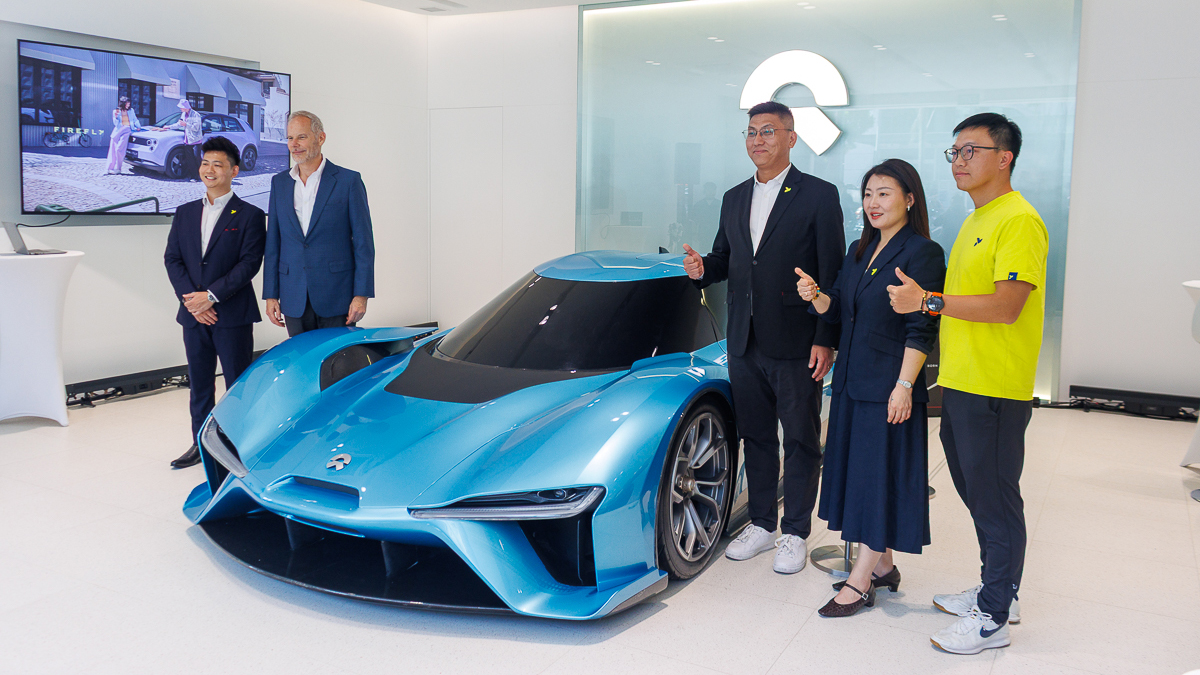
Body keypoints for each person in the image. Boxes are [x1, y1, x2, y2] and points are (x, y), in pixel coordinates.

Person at [887, 113, 1048, 654]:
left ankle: (993, 618)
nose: (958, 161)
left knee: (995, 498)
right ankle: (1000, 589)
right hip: (962, 381)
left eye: (970, 151)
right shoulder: (978, 218)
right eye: (954, 152)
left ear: (1004, 157)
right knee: (978, 493)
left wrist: (928, 301)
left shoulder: (1018, 220)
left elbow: (1006, 307)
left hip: (995, 387)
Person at [682, 100, 845, 574]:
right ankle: (762, 523)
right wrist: (702, 268)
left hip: (797, 339)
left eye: (768, 131)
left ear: (791, 138)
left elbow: (832, 272)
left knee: (800, 438)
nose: (758, 140)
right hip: (744, 339)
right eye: (752, 132)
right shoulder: (734, 197)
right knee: (755, 435)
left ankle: (795, 531)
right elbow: (726, 259)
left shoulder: (818, 195)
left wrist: (826, 338)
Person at [796, 159, 945, 617]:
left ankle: (860, 583)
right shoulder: (860, 250)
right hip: (853, 380)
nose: (873, 203)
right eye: (867, 194)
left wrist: (904, 385)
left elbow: (923, 327)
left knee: (876, 480)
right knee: (860, 476)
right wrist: (816, 296)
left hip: (888, 386)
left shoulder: (923, 252)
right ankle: (884, 567)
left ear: (910, 199)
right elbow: (840, 306)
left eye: (884, 193)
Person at [163, 136, 266, 468]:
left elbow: (249, 264)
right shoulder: (185, 213)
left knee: (236, 386)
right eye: (205, 163)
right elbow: (173, 259)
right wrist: (193, 302)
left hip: (232, 314)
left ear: (233, 171)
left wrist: (211, 297)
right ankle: (201, 446)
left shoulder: (250, 215)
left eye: (218, 164)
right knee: (199, 385)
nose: (209, 170)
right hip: (194, 316)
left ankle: (237, 447)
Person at [263, 111, 375, 335]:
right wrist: (271, 295)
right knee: (302, 355)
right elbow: (273, 242)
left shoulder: (348, 181)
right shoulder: (279, 183)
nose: (294, 144)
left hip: (337, 295)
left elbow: (363, 243)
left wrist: (361, 295)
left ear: (321, 138)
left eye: (301, 137)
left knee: (338, 357)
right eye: (290, 138)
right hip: (293, 295)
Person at [161, 99, 204, 180]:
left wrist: (186, 124)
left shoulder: (196, 115)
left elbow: (196, 127)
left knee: (197, 158)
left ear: (186, 107)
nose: (180, 109)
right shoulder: (183, 114)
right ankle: (194, 176)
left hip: (196, 141)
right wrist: (169, 127)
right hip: (187, 141)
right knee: (190, 160)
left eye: (181, 107)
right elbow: (179, 124)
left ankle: (202, 174)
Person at [105, 96, 141, 175]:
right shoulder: (116, 111)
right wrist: (116, 117)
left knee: (119, 149)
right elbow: (115, 123)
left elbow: (135, 119)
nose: (128, 105)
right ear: (123, 103)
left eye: (129, 103)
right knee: (112, 150)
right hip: (118, 131)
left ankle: (118, 168)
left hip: (127, 130)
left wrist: (138, 126)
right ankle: (109, 168)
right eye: (127, 103)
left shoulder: (131, 110)